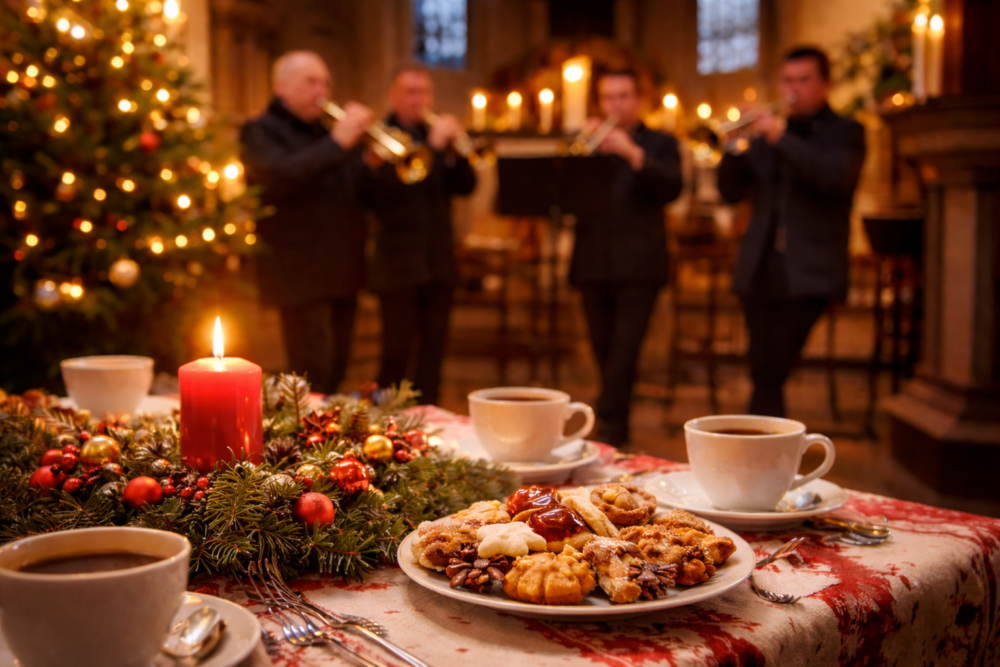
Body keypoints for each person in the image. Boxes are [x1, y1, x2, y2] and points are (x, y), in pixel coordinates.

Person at [718, 46, 866, 417]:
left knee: (773, 367)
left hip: (811, 270)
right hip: (760, 265)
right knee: (762, 366)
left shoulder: (846, 132)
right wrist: (734, 148)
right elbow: (730, 192)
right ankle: (765, 451)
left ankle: (758, 448)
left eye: (804, 80)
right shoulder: (765, 138)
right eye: (788, 80)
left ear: (825, 84)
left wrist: (780, 138)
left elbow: (834, 179)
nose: (794, 88)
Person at [240, 51, 373, 394]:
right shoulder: (259, 131)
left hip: (343, 266)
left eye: (326, 82)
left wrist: (370, 161)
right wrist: (338, 143)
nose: (323, 90)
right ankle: (308, 442)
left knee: (339, 366)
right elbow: (278, 176)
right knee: (312, 372)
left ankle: (330, 437)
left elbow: (357, 191)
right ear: (282, 87)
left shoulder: (328, 132)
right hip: (298, 271)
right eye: (312, 81)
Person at [570, 69, 684, 447]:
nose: (615, 105)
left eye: (623, 96)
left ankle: (611, 430)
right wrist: (582, 154)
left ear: (638, 100)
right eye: (608, 98)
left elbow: (671, 187)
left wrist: (634, 154)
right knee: (603, 352)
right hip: (592, 262)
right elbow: (564, 193)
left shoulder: (661, 143)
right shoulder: (588, 143)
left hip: (640, 266)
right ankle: (614, 426)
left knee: (624, 353)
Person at [357, 64, 476, 406]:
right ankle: (386, 426)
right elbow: (377, 195)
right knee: (395, 351)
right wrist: (437, 150)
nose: (418, 99)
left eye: (424, 92)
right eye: (410, 92)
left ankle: (431, 421)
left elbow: (465, 187)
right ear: (392, 96)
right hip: (397, 264)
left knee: (434, 350)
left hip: (438, 261)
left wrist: (457, 153)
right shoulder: (380, 136)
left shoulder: (435, 135)